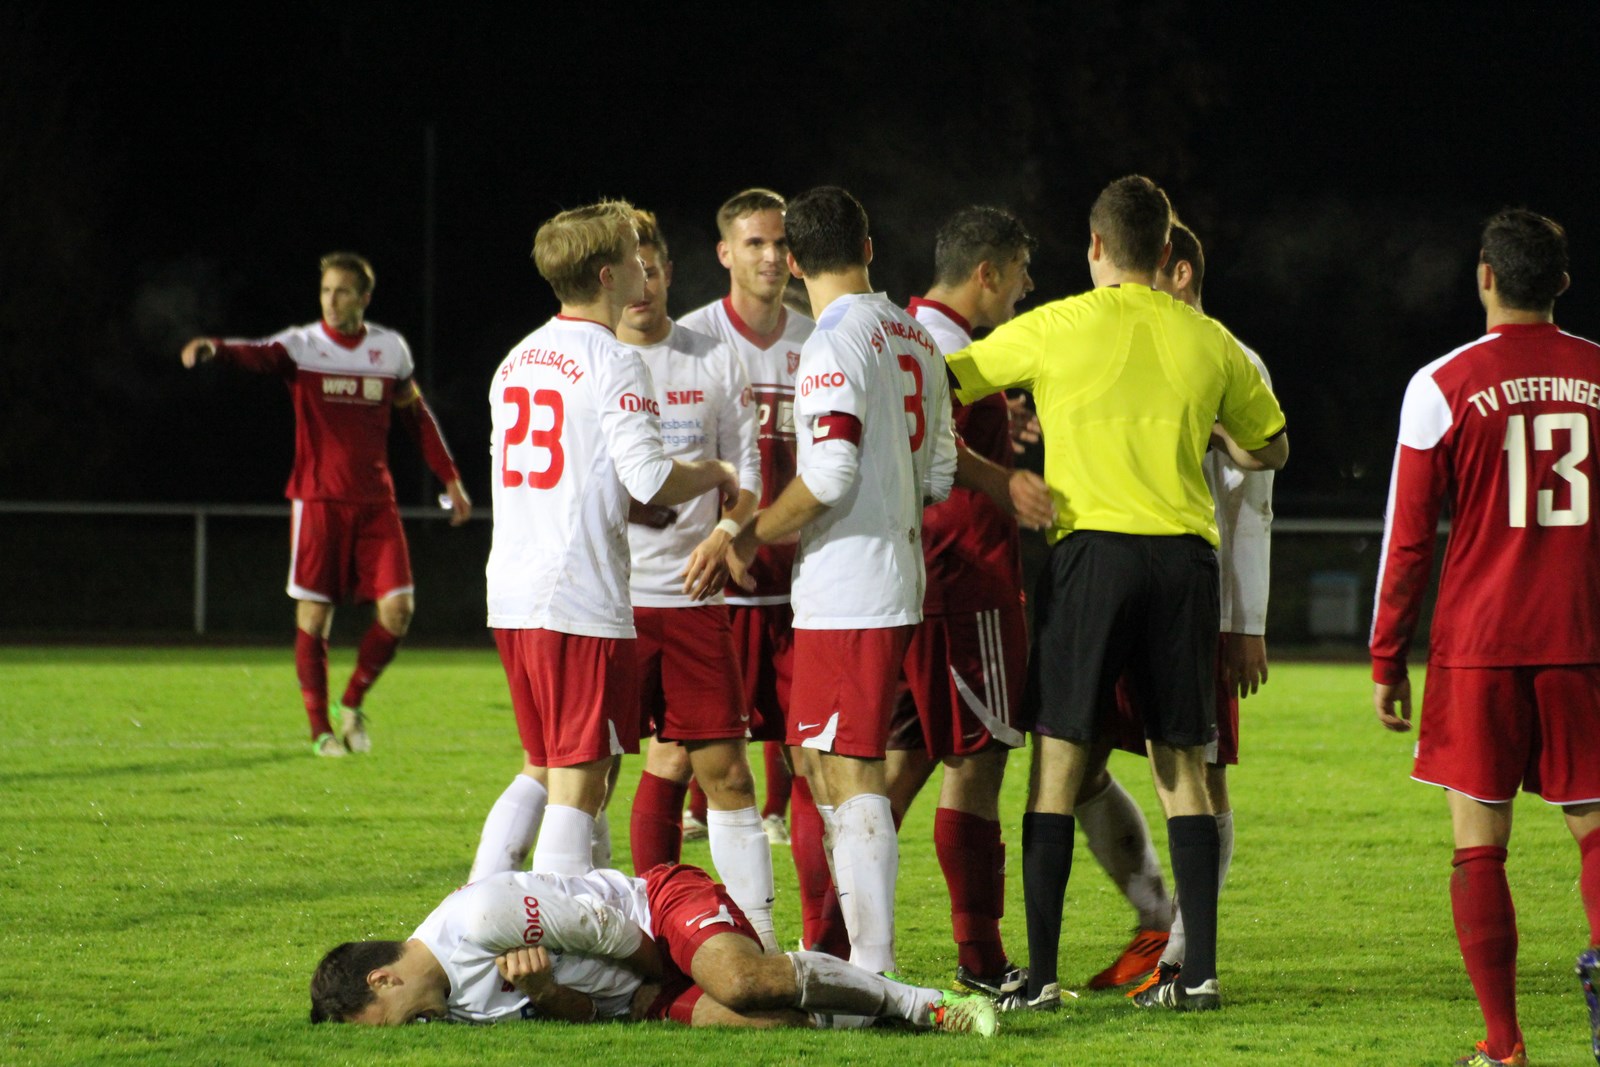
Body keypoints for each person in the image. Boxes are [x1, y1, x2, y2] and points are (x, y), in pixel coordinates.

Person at [943, 175, 1287, 1014]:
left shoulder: (1056, 325)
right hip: (1181, 561)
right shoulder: (1213, 342)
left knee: (1060, 761)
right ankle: (1196, 971)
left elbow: (946, 380)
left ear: (1095, 247)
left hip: (1088, 554)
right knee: (1184, 766)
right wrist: (1220, 439)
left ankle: (1043, 975)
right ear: (1168, 254)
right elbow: (1272, 447)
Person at [1371, 208, 1600, 1067]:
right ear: (1563, 284)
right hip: (1584, 636)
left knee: (1479, 842)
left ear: (1485, 277)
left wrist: (1387, 654)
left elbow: (1409, 537)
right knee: (1595, 829)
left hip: (1480, 644)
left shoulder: (1441, 383)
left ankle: (1504, 1045)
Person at [470, 200, 737, 882]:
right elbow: (648, 477)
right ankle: (550, 937)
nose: (641, 264)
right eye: (629, 253)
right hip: (578, 596)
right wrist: (715, 471)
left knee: (544, 766)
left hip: (514, 593)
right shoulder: (613, 359)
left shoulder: (515, 360)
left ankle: (484, 902)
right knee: (581, 785)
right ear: (605, 273)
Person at [727, 185, 957, 976]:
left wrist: (751, 528)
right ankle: (841, 949)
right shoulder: (918, 337)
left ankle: (873, 968)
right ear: (868, 246)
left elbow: (828, 470)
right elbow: (942, 473)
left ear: (792, 262)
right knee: (817, 760)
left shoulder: (830, 342)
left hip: (851, 584)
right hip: (887, 576)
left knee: (850, 771)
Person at [1073, 219, 1278, 1000]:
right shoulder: (1127, 350)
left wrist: (1245, 623)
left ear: (1179, 272)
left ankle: (1189, 953)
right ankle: (1156, 912)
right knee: (1080, 760)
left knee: (1198, 771)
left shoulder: (1231, 359)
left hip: (1194, 606)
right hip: (1119, 592)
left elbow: (1253, 501)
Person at [180, 253, 471, 757]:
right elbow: (257, 353)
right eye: (325, 291)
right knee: (315, 619)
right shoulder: (303, 346)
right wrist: (214, 348)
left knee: (399, 611)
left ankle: (351, 701)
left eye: (341, 291)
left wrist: (451, 478)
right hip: (318, 502)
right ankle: (319, 731)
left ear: (364, 298)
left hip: (376, 505)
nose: (331, 301)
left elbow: (416, 417)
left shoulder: (390, 350)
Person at [885, 205, 1042, 997]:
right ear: (986, 273)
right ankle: (981, 958)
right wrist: (1005, 474)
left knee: (901, 765)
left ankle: (836, 936)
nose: (1026, 287)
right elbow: (945, 461)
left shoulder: (917, 334)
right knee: (977, 764)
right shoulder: (948, 349)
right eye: (1018, 272)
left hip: (918, 579)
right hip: (965, 577)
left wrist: (999, 424)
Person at [612, 208, 778, 951]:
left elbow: (748, 483)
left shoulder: (714, 359)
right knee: (582, 783)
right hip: (604, 606)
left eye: (653, 266)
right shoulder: (589, 360)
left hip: (688, 600)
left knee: (729, 778)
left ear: (671, 271)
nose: (642, 283)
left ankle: (757, 941)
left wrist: (723, 531)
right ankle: (644, 934)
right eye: (628, 270)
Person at [680, 189, 840, 950]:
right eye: (755, 244)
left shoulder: (821, 340)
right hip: (713, 593)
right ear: (726, 252)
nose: (772, 257)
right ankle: (675, 939)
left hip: (803, 592)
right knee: (681, 760)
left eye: (781, 244)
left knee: (813, 766)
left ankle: (819, 948)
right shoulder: (691, 341)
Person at [309, 861, 996, 1034]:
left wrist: (677, 972)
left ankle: (928, 1002)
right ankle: (868, 1005)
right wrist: (548, 995)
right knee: (772, 1023)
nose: (387, 1037)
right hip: (638, 994)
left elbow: (604, 928)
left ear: (380, 982)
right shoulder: (453, 1012)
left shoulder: (478, 916)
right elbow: (581, 1013)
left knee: (742, 983)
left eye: (366, 1026)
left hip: (658, 911)